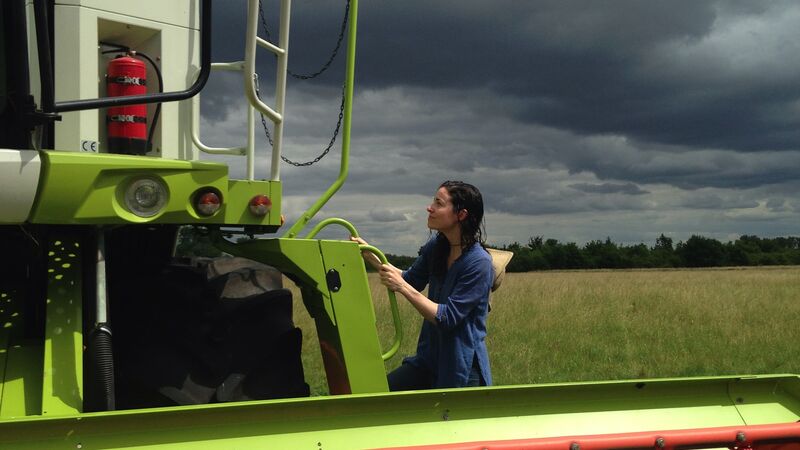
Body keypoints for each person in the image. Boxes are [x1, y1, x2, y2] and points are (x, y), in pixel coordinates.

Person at [352, 180, 494, 390]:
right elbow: (411, 280)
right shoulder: (437, 247)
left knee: (449, 423)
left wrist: (401, 286)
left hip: (460, 370)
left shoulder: (479, 263)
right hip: (427, 361)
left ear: (460, 215)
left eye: (439, 203)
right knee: (378, 399)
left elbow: (447, 317)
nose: (430, 208)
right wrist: (371, 255)